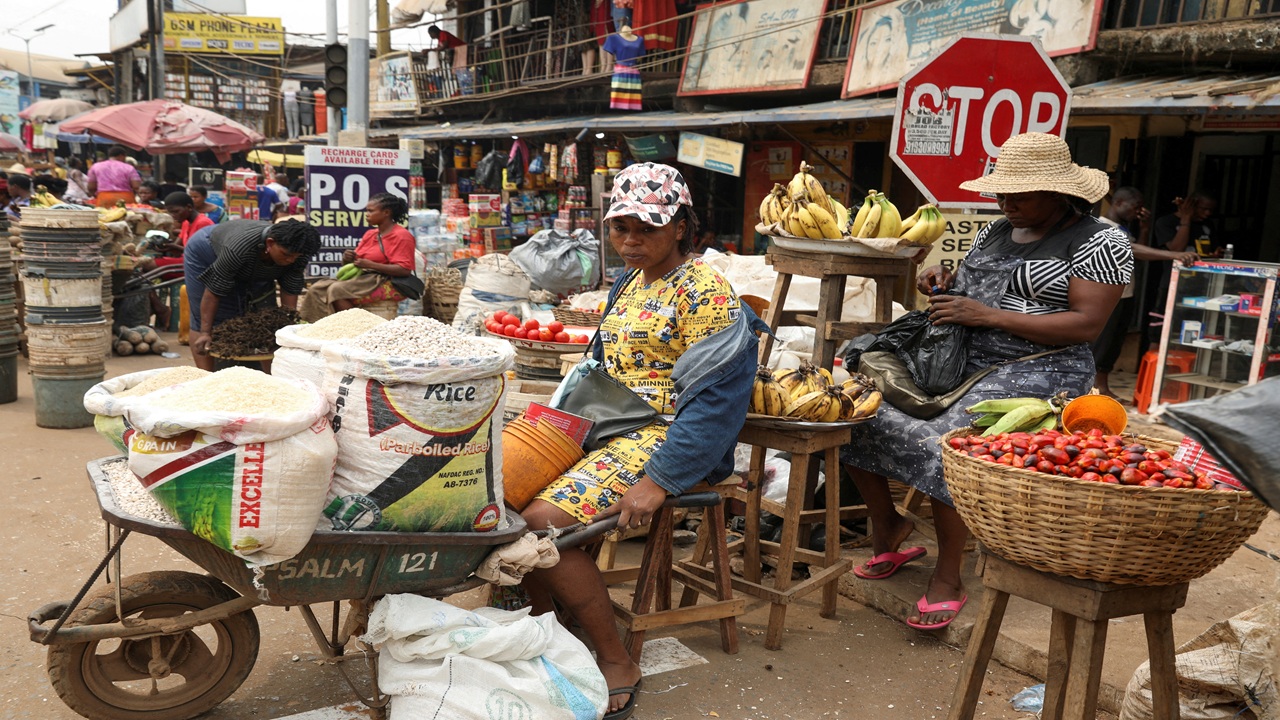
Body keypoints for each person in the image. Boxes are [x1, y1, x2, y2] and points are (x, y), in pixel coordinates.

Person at [842, 133, 1133, 631]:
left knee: (945, 443)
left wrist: (988, 316)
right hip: (964, 356)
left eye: (1019, 195)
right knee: (855, 410)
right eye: (1001, 194)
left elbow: (1086, 324)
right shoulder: (997, 230)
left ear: (1059, 192)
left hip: (1045, 369)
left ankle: (949, 576)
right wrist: (941, 281)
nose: (1006, 203)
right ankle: (888, 525)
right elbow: (972, 290)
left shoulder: (1101, 241)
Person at [519, 163, 760, 720]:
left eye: (645, 229)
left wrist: (660, 480)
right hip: (608, 424)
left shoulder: (704, 291)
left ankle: (616, 658)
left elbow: (717, 403)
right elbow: (604, 367)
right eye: (620, 228)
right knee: (501, 495)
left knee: (539, 525)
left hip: (665, 438)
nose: (629, 241)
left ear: (680, 226)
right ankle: (549, 628)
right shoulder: (632, 282)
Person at [1091, 187, 1199, 400]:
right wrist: (1174, 254)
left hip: (1124, 294)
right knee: (1103, 345)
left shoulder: (1122, 229)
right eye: (1136, 207)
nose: (1139, 211)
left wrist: (1144, 228)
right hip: (1106, 296)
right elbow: (1132, 250)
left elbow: (1136, 251)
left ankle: (1102, 388)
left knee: (1114, 344)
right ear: (1119, 203)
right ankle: (1093, 389)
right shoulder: (1101, 226)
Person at [184, 218, 320, 372]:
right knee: (211, 318)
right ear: (270, 243)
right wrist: (205, 332)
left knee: (267, 315)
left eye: (295, 257)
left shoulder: (297, 252)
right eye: (286, 255)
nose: (290, 260)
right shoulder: (237, 250)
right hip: (207, 251)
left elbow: (290, 288)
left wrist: (286, 329)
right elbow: (213, 292)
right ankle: (206, 377)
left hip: (253, 257)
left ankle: (273, 376)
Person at [300, 193, 416, 321]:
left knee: (337, 290)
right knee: (317, 288)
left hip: (385, 279)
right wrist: (347, 258)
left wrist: (370, 265)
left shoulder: (401, 236)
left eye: (371, 211)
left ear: (386, 212)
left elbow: (404, 270)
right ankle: (317, 326)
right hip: (363, 278)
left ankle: (355, 326)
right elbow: (353, 263)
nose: (367, 214)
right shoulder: (370, 234)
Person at [1141, 191, 1217, 356]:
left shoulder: (1207, 225)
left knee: (1191, 332)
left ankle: (1182, 369)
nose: (1207, 214)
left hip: (1200, 288)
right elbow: (1176, 249)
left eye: (1211, 210)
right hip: (1172, 286)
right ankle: (1154, 372)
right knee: (1159, 332)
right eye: (1204, 209)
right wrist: (1185, 220)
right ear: (1192, 205)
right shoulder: (1166, 222)